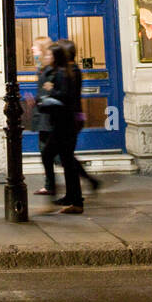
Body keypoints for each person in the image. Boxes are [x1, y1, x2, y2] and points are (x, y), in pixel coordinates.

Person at [37, 41, 83, 214]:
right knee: (67, 160)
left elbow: (65, 97)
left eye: (50, 54)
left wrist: (50, 91)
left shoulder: (64, 73)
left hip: (64, 124)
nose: (46, 57)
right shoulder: (64, 71)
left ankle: (69, 197)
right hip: (64, 123)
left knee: (50, 155)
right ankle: (73, 198)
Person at [61, 39, 100, 194]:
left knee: (66, 156)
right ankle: (80, 187)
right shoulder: (69, 70)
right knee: (65, 155)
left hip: (72, 118)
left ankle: (77, 192)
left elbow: (67, 96)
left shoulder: (72, 71)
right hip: (72, 117)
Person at [31, 37, 58, 197]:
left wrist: (40, 100)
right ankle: (50, 184)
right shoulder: (42, 68)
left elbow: (49, 92)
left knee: (51, 153)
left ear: (42, 49)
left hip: (49, 118)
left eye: (35, 47)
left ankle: (79, 174)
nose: (32, 50)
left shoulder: (50, 70)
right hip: (43, 117)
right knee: (46, 152)